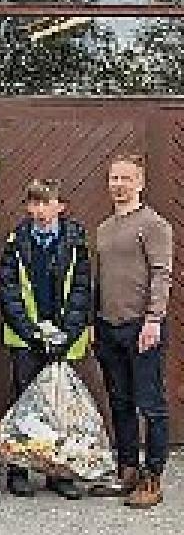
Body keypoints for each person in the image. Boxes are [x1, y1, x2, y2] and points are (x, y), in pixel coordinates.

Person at [0, 179, 92, 500]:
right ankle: (20, 469)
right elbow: (8, 291)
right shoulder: (17, 240)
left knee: (60, 405)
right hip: (27, 339)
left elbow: (82, 292)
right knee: (26, 402)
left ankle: (58, 472)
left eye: (46, 203)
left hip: (64, 337)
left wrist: (65, 335)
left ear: (60, 207)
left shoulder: (76, 241)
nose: (39, 210)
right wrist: (32, 333)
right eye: (34, 204)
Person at [92, 154, 172, 508]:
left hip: (142, 328)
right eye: (114, 178)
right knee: (120, 402)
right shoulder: (105, 228)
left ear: (140, 183)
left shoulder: (154, 225)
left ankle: (152, 477)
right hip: (109, 328)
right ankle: (127, 469)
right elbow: (101, 279)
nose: (119, 185)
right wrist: (95, 322)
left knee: (150, 405)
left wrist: (154, 319)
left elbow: (161, 273)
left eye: (126, 178)